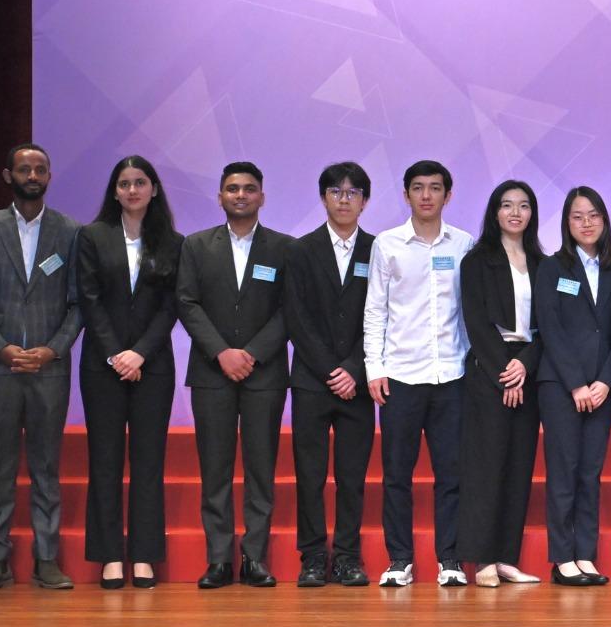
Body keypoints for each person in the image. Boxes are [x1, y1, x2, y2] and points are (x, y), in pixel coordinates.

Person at [0, 143, 82, 591]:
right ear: (8, 175)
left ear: (49, 176)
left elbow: (78, 303)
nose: (33, 176)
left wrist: (53, 349)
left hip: (49, 368)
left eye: (40, 169)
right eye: (24, 169)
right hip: (0, 368)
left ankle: (47, 560)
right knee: (0, 467)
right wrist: (0, 348)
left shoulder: (70, 232)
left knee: (47, 467)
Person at [175, 161, 294, 589]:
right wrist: (222, 352)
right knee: (215, 470)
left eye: (248, 188)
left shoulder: (284, 248)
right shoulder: (195, 245)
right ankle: (219, 560)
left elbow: (290, 309)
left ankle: (255, 559)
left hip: (265, 374)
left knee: (261, 469)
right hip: (212, 372)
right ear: (220, 196)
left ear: (262, 196)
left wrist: (253, 354)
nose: (240, 195)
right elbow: (186, 302)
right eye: (232, 188)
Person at [363, 160, 471, 588]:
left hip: (453, 375)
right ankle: (399, 560)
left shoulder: (463, 243)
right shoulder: (387, 244)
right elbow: (375, 309)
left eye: (435, 187)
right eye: (419, 188)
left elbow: (471, 311)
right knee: (396, 475)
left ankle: (450, 559)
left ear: (449, 194)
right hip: (401, 376)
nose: (427, 195)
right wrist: (375, 367)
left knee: (452, 475)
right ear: (406, 194)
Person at [75, 155, 179, 590]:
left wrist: (139, 354)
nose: (132, 190)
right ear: (114, 192)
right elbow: (89, 300)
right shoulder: (92, 236)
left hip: (153, 366)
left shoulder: (173, 242)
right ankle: (109, 556)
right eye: (124, 183)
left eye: (140, 182)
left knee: (148, 462)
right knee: (105, 461)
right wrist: (117, 354)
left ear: (154, 189)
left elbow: (171, 307)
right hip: (102, 365)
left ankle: (144, 555)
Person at [283, 162, 377, 587]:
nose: (344, 199)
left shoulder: (378, 250)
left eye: (353, 192)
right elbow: (296, 317)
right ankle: (313, 557)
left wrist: (353, 369)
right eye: (336, 192)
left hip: (359, 383)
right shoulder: (300, 251)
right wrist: (329, 369)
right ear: (323, 197)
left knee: (352, 477)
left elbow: (382, 315)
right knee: (310, 474)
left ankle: (348, 557)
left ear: (365, 201)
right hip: (311, 380)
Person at [457, 180, 545, 588]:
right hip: (489, 370)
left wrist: (524, 365)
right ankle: (483, 559)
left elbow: (549, 326)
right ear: (495, 212)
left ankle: (507, 557)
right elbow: (476, 322)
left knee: (519, 466)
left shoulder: (544, 263)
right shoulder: (477, 260)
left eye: (524, 206)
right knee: (486, 466)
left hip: (529, 370)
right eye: (507, 205)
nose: (515, 213)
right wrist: (504, 372)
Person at [534, 186, 611, 586]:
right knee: (564, 471)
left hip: (602, 388)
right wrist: (576, 384)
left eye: (593, 215)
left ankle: (585, 554)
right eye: (577, 216)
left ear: (604, 221)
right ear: (567, 223)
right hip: (560, 387)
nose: (586, 223)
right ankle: (562, 557)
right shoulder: (552, 268)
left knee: (590, 473)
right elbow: (550, 329)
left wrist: (605, 380)